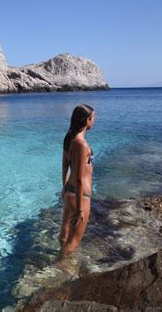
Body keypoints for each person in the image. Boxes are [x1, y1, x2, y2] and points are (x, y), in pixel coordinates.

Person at [58, 104, 95, 260]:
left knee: (64, 233)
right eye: (93, 118)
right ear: (87, 120)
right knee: (73, 242)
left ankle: (62, 256)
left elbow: (65, 164)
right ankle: (58, 268)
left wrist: (64, 186)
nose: (94, 121)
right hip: (80, 196)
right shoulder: (81, 144)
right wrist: (80, 209)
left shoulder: (69, 138)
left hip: (70, 191)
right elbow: (80, 178)